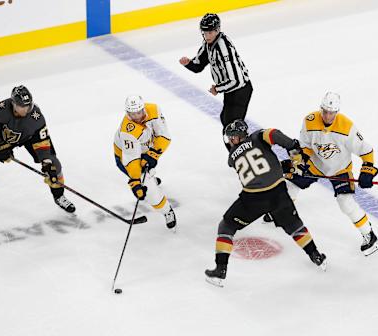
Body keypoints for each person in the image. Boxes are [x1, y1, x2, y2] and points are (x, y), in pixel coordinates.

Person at [205, 119, 327, 287]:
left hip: (253, 199)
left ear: (238, 136)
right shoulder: (258, 137)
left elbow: (256, 167)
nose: (230, 140)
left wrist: (283, 165)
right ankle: (316, 256)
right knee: (295, 226)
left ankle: (220, 270)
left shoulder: (231, 158)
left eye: (232, 137)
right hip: (278, 193)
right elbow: (273, 135)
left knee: (226, 227)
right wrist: (293, 148)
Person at [267, 92, 378, 256]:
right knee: (291, 184)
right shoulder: (310, 120)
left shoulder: (347, 127)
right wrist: (302, 160)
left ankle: (369, 235)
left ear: (337, 111)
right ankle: (281, 213)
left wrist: (367, 170)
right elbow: (304, 146)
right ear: (321, 108)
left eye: (331, 112)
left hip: (340, 169)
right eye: (325, 111)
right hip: (315, 164)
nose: (327, 115)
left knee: (346, 203)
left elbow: (367, 151)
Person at [0, 85, 75, 213]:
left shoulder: (36, 118)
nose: (26, 110)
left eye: (28, 106)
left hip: (30, 138)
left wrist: (46, 162)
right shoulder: (0, 109)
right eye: (22, 106)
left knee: (54, 165)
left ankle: (59, 196)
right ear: (13, 104)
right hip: (4, 139)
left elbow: (42, 142)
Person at [179, 13, 252, 148]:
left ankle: (245, 155)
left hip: (241, 90)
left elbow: (236, 80)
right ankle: (241, 155)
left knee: (232, 128)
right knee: (226, 120)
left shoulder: (224, 48)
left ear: (217, 30)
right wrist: (188, 63)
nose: (207, 36)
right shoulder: (208, 44)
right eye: (204, 33)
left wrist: (218, 89)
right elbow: (198, 65)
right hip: (230, 90)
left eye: (210, 32)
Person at [113, 95, 176, 230]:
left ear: (143, 108)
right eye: (132, 113)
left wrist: (152, 155)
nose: (137, 116)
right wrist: (135, 181)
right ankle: (167, 210)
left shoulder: (153, 109)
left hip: (146, 148)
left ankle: (150, 177)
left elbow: (164, 136)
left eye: (139, 112)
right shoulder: (127, 131)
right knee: (149, 192)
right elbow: (131, 158)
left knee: (148, 173)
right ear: (127, 113)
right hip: (126, 158)